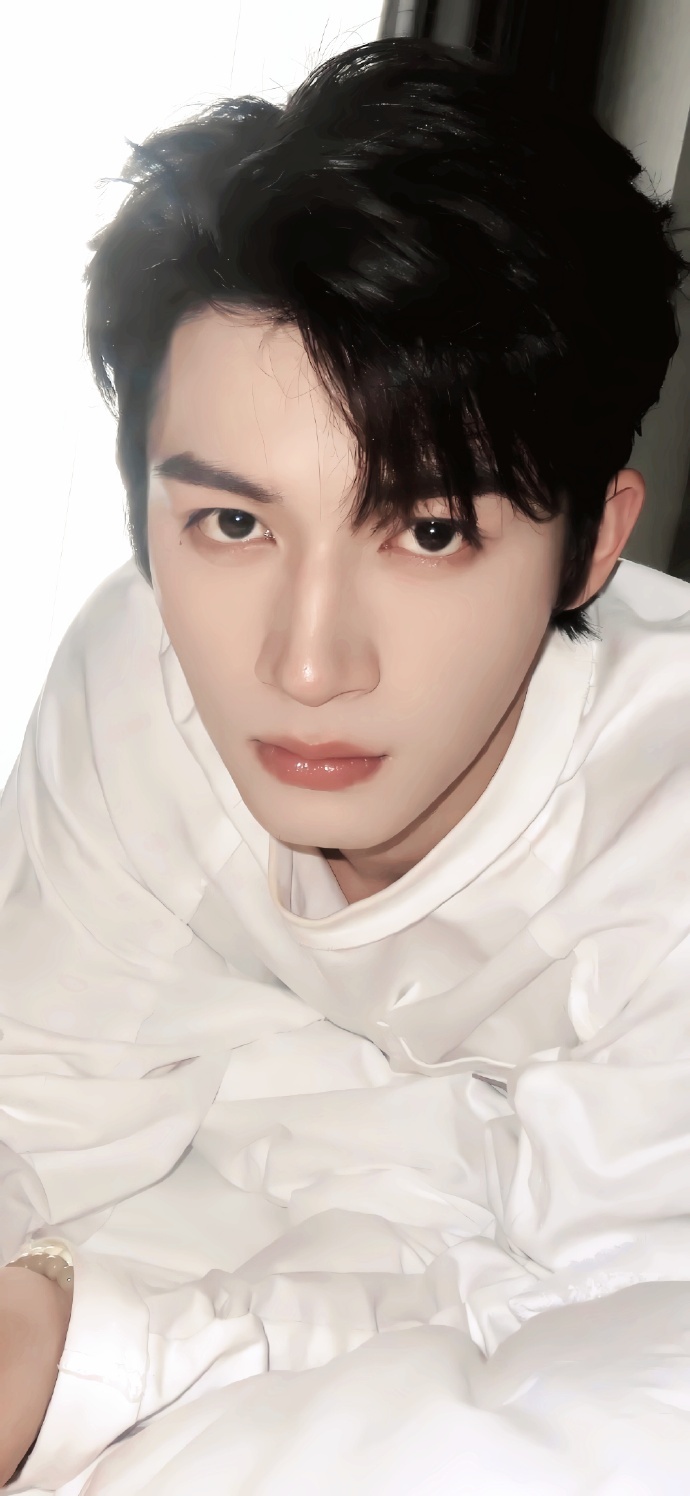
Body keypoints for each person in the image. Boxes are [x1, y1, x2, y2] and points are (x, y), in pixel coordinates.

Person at [1, 35, 690, 1493]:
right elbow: (37, 1094)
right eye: (232, 524)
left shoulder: (663, 828)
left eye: (430, 531)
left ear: (594, 542)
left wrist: (91, 1350)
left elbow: (611, 1344)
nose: (307, 665)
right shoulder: (138, 673)